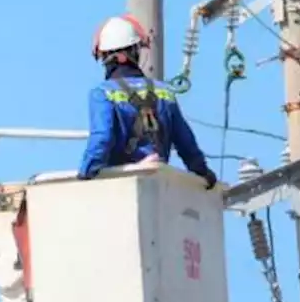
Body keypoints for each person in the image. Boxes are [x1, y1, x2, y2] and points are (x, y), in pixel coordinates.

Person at [77, 14, 217, 188]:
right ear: (135, 51)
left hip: (122, 185)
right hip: (159, 183)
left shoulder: (102, 93)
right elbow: (185, 142)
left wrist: (85, 174)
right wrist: (203, 172)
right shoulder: (164, 91)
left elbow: (102, 138)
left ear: (108, 57)